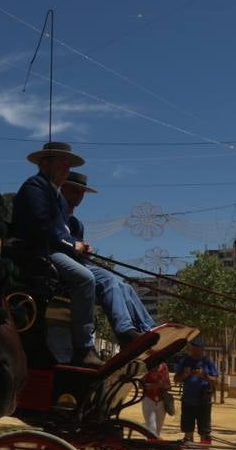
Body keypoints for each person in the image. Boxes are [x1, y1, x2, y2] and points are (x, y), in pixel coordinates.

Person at [10, 141, 96, 363]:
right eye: (62, 164)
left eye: (69, 165)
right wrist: (73, 246)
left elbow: (62, 231)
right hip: (39, 251)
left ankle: (129, 331)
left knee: (105, 279)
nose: (67, 169)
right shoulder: (35, 187)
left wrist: (80, 245)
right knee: (85, 278)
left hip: (58, 250)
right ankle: (83, 347)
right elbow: (43, 227)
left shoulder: (56, 196)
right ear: (44, 164)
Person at [60, 171, 158, 349]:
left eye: (82, 192)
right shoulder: (56, 215)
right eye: (75, 190)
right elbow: (56, 239)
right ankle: (124, 330)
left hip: (79, 264)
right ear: (63, 189)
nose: (79, 195)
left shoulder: (76, 224)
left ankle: (149, 330)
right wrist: (75, 246)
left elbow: (78, 252)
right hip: (63, 270)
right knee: (109, 279)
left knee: (125, 287)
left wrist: (85, 251)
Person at [174, 337, 219, 450]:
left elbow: (216, 381)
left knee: (204, 433)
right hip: (188, 401)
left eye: (198, 349)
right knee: (188, 432)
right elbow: (176, 379)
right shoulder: (185, 361)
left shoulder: (207, 362)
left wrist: (203, 376)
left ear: (202, 349)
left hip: (204, 401)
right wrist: (184, 375)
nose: (195, 351)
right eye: (193, 348)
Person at [140, 360, 172, 437]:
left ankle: (154, 443)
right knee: (151, 428)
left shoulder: (164, 366)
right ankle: (151, 443)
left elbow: (169, 386)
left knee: (158, 430)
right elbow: (140, 385)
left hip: (162, 401)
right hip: (148, 399)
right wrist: (155, 385)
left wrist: (163, 385)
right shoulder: (146, 366)